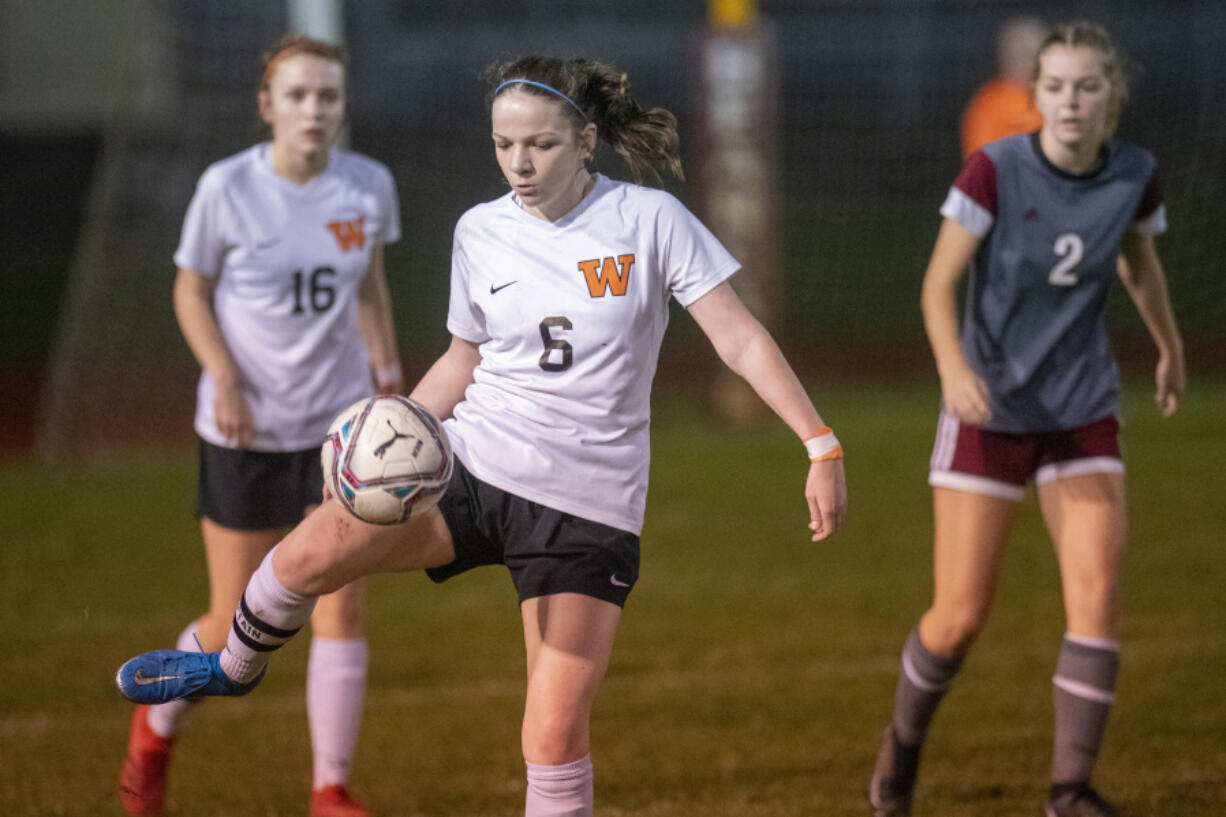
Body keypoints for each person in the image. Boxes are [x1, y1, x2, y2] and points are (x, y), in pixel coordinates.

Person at [116, 55, 848, 817]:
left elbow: (740, 339)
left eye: (540, 145)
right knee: (305, 552)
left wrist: (819, 444)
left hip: (587, 508)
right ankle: (233, 667)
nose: (519, 164)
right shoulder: (481, 229)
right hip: (474, 466)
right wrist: (395, 429)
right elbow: (465, 356)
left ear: (586, 139)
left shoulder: (649, 219)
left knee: (553, 732)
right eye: (503, 145)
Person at [869, 21, 1184, 817]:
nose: (1070, 102)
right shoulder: (996, 169)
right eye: (1056, 87)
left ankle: (1069, 790)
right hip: (993, 407)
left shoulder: (1136, 174)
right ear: (1034, 95)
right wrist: (954, 369)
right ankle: (899, 754)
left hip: (1082, 406)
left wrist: (1170, 347)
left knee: (1098, 591)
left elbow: (1139, 264)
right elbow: (938, 285)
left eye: (1087, 87)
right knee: (960, 615)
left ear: (1112, 96)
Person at [118, 35, 402, 817]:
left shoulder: (368, 185)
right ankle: (156, 728)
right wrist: (226, 374)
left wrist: (387, 380)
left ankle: (330, 789)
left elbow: (370, 290)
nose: (315, 111)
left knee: (342, 604)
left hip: (338, 440)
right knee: (227, 626)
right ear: (267, 105)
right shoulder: (226, 188)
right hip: (244, 432)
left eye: (330, 97)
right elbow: (190, 291)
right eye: (299, 95)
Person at [960, 16, 1048, 159]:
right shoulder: (988, 104)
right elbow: (982, 162)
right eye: (1024, 53)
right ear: (1005, 54)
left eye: (1036, 54)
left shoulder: (1059, 98)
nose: (1030, 62)